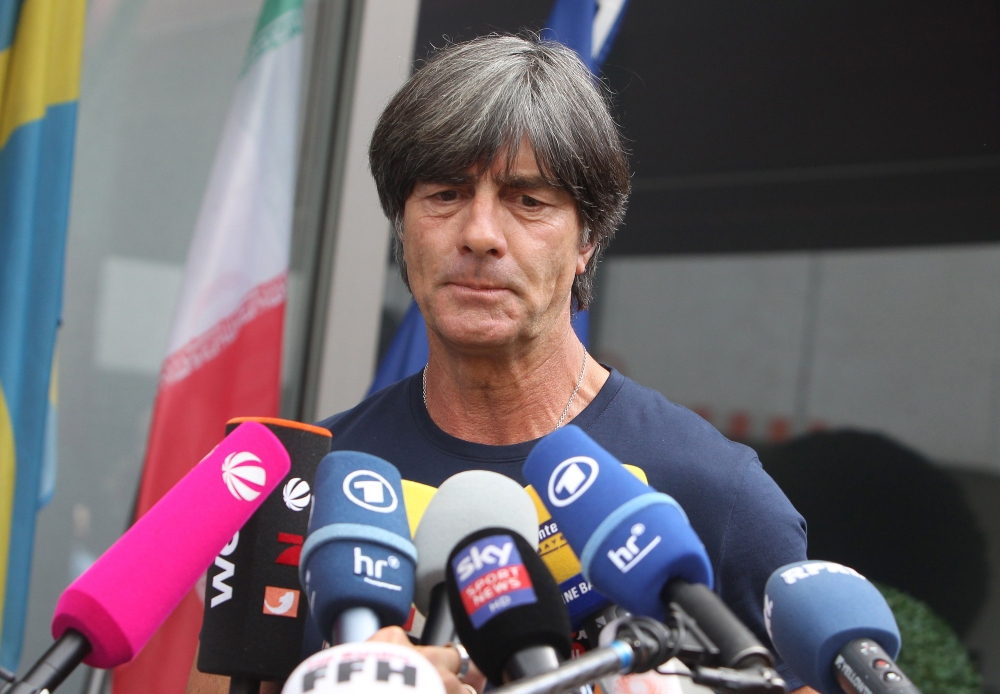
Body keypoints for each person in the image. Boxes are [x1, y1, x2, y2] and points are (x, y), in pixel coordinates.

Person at [188, 35, 814, 694]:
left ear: (587, 240)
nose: (481, 234)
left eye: (528, 201)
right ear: (402, 227)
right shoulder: (300, 490)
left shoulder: (715, 494)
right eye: (445, 194)